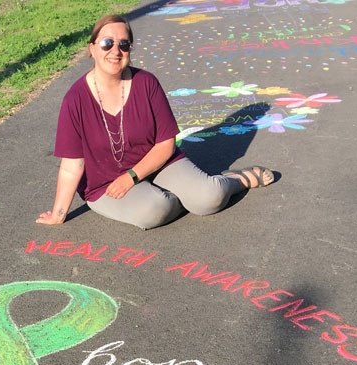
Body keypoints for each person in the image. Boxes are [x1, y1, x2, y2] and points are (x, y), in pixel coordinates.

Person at [37, 14, 275, 230]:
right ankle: (179, 197)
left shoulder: (146, 83)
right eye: (107, 43)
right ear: (92, 48)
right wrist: (59, 213)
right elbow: (72, 166)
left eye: (124, 44)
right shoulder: (75, 99)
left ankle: (237, 180)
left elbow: (165, 145)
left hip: (156, 162)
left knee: (209, 198)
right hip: (105, 183)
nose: (115, 51)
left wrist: (131, 176)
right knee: (154, 211)